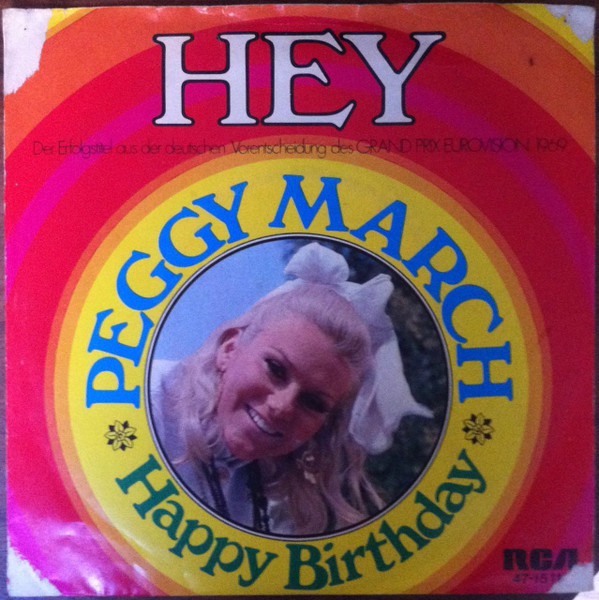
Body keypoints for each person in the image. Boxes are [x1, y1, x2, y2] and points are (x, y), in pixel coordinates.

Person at [150, 242, 431, 536]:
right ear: (229, 348)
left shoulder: (267, 494)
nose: (282, 406)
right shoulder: (140, 406)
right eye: (276, 369)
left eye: (314, 403)